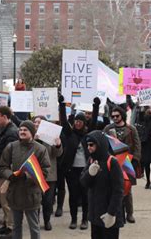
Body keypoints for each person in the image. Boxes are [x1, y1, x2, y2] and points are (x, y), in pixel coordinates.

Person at [0, 120, 51, 239]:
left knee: (34, 227)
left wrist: (26, 176)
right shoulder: (11, 146)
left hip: (31, 195)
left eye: (25, 130)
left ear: (32, 132)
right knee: (16, 226)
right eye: (20, 130)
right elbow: (2, 166)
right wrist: (9, 175)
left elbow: (45, 171)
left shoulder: (40, 149)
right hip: (14, 193)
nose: (22, 132)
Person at [58, 95, 99, 230]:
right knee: (73, 195)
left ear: (83, 123)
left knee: (85, 195)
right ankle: (74, 219)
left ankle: (84, 220)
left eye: (80, 121)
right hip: (71, 170)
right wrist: (62, 105)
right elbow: (64, 121)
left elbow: (93, 122)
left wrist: (96, 106)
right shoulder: (70, 133)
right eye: (76, 121)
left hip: (85, 170)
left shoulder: (88, 134)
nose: (78, 123)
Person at [80, 131, 124, 239]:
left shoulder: (112, 162)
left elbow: (118, 191)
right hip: (95, 215)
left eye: (91, 145)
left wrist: (111, 213)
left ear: (100, 144)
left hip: (108, 215)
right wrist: (89, 174)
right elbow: (83, 182)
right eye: (87, 145)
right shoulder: (91, 160)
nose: (88, 147)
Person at [103, 106, 140, 224]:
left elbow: (137, 145)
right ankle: (116, 212)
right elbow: (103, 143)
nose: (114, 118)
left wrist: (136, 159)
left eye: (117, 116)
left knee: (127, 189)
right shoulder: (108, 128)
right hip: (112, 161)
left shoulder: (131, 129)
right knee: (113, 188)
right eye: (112, 116)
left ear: (122, 116)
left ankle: (129, 213)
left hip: (127, 161)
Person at [0, 106, 20, 236]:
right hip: (0, 171)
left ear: (4, 117)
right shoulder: (5, 130)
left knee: (6, 201)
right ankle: (6, 223)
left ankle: (11, 228)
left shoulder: (11, 133)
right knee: (3, 201)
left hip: (5, 173)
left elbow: (9, 156)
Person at [33, 116, 63, 231]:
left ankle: (47, 220)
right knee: (36, 200)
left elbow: (57, 154)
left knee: (48, 201)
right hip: (35, 174)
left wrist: (58, 145)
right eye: (35, 122)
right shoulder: (30, 136)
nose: (36, 124)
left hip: (49, 175)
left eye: (39, 122)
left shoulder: (50, 136)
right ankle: (35, 222)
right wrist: (34, 140)